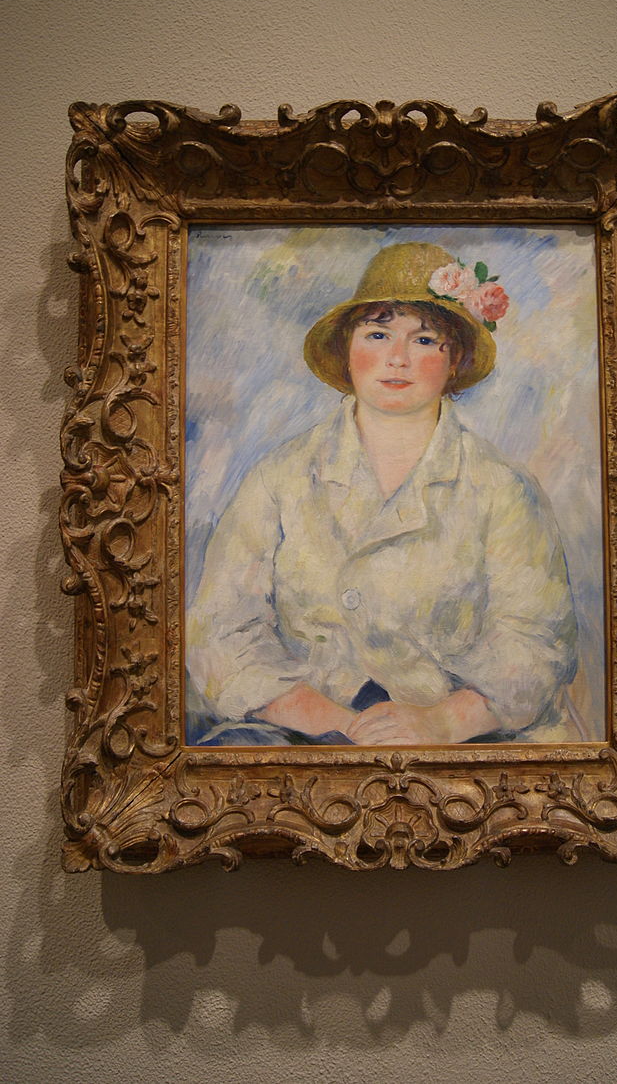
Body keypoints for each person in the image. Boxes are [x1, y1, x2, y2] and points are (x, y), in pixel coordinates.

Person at [186, 241, 579, 746]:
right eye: (377, 334)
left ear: (455, 359)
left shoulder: (502, 487)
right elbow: (220, 632)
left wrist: (440, 723)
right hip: (302, 728)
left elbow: (536, 643)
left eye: (424, 340)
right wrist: (342, 724)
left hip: (462, 738)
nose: (397, 359)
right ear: (347, 351)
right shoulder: (279, 477)